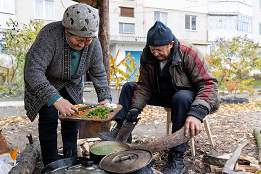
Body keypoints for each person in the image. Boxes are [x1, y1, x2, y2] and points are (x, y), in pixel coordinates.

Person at [99, 21, 220, 174]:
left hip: (188, 97)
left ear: (170, 44)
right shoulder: (147, 55)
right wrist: (135, 109)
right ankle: (122, 131)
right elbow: (144, 86)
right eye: (152, 49)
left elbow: (208, 83)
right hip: (163, 93)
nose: (155, 53)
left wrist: (197, 113)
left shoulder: (188, 52)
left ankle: (176, 157)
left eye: (159, 50)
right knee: (129, 87)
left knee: (181, 97)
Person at [24, 3, 112, 166]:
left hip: (72, 84)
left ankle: (70, 160)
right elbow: (33, 70)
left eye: (87, 40)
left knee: (73, 119)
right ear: (66, 31)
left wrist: (105, 98)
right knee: (49, 118)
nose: (82, 45)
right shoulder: (49, 35)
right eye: (78, 40)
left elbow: (98, 72)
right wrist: (56, 99)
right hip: (46, 82)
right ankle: (51, 163)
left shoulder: (94, 44)